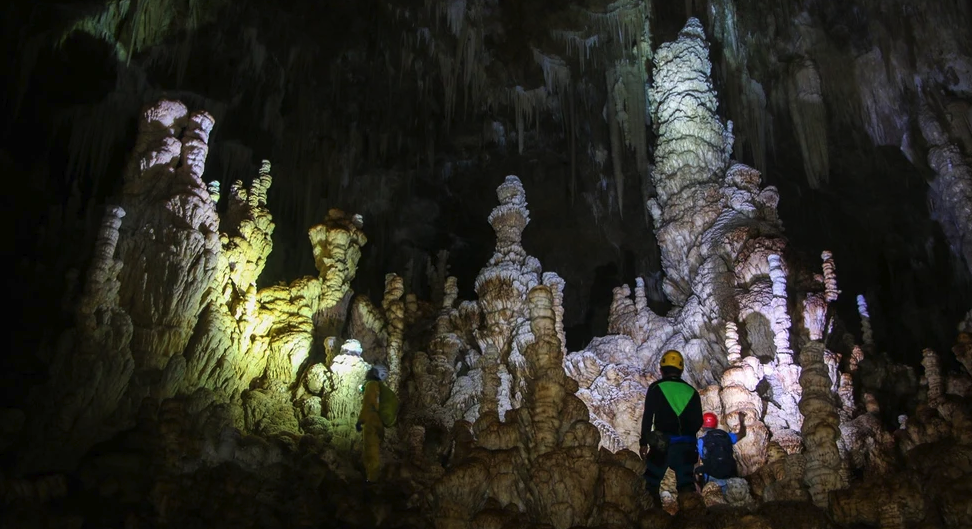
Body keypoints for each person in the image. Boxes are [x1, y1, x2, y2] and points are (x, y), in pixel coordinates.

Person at [639, 350, 703, 505]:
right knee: (687, 486)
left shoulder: (656, 388)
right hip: (686, 448)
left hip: (663, 446)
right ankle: (692, 521)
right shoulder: (692, 392)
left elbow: (648, 417)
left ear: (662, 369)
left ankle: (653, 519)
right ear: (681, 370)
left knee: (650, 484)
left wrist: (644, 442)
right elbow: (698, 421)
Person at [355, 366, 399, 482]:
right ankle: (375, 476)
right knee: (376, 449)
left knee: (370, 450)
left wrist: (361, 420)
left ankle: (372, 478)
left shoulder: (372, 385)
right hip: (380, 422)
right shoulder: (381, 387)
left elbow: (370, 404)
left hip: (372, 420)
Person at [695, 411, 746, 494]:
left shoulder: (701, 441)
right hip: (729, 475)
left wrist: (696, 480)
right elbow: (742, 434)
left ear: (702, 425)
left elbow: (698, 460)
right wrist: (741, 420)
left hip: (712, 476)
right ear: (716, 423)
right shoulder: (726, 436)